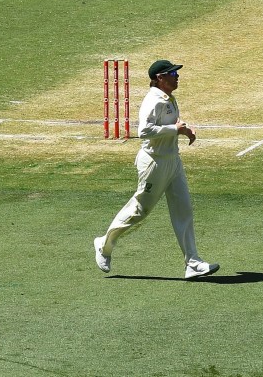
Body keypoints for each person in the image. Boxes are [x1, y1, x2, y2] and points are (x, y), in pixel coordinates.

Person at [93, 60, 219, 279]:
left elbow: (171, 126)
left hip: (173, 160)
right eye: (172, 73)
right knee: (139, 211)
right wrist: (174, 128)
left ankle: (193, 263)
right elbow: (144, 131)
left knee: (184, 210)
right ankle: (104, 245)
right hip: (154, 162)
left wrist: (184, 131)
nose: (177, 76)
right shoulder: (152, 100)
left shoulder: (168, 98)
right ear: (160, 78)